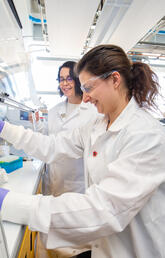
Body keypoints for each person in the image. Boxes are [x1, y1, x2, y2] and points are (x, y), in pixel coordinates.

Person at [0, 44, 165, 258]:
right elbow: (52, 146)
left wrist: (9, 202)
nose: (85, 98)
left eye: (88, 87)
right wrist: (6, 129)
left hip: (136, 250)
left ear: (115, 80)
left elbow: (103, 210)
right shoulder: (97, 125)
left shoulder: (145, 135)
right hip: (103, 247)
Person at [30, 61, 98, 197]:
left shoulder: (93, 111)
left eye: (69, 78)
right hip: (52, 180)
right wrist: (37, 125)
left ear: (79, 80)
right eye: (61, 79)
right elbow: (47, 140)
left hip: (77, 184)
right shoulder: (54, 111)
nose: (65, 83)